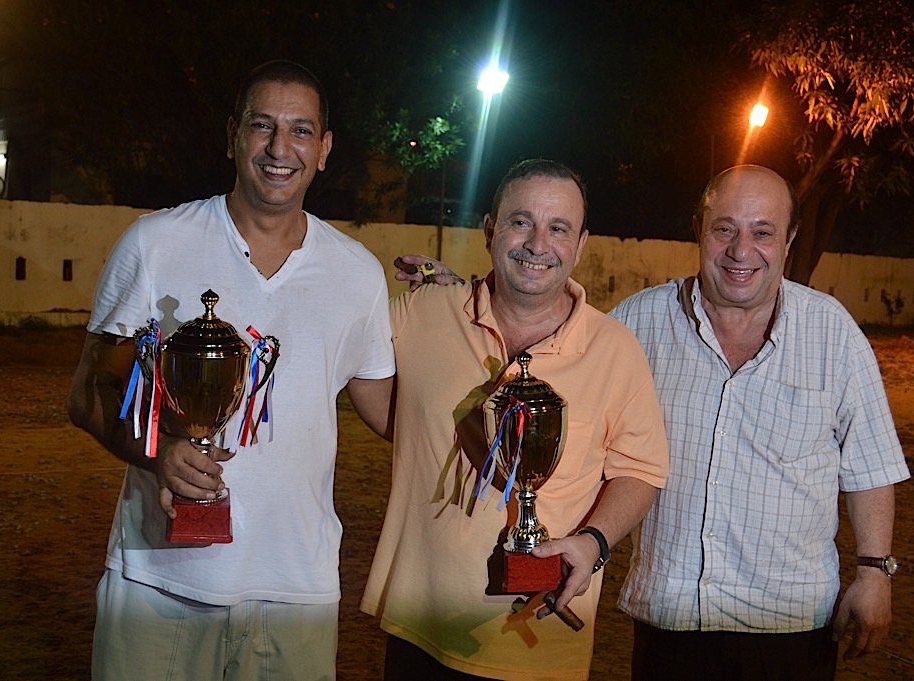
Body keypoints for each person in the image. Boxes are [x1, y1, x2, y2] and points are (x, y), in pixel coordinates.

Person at [66, 60, 395, 681]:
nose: (280, 148)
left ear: (324, 149)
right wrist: (159, 452)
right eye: (261, 125)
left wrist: (476, 348)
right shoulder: (154, 243)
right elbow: (89, 393)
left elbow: (389, 410)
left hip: (295, 590)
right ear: (232, 136)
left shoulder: (357, 273)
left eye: (301, 130)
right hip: (161, 582)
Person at [359, 159, 670, 680]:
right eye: (521, 222)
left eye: (559, 228)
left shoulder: (616, 349)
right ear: (490, 230)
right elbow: (365, 382)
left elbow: (641, 468)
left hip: (538, 639)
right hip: (422, 626)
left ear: (581, 245)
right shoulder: (420, 314)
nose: (537, 243)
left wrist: (593, 542)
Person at [609, 165, 911, 680]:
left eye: (762, 232)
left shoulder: (832, 333)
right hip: (670, 622)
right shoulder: (637, 324)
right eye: (724, 229)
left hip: (791, 632)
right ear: (699, 230)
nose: (740, 250)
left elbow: (871, 466)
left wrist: (874, 572)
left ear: (789, 240)